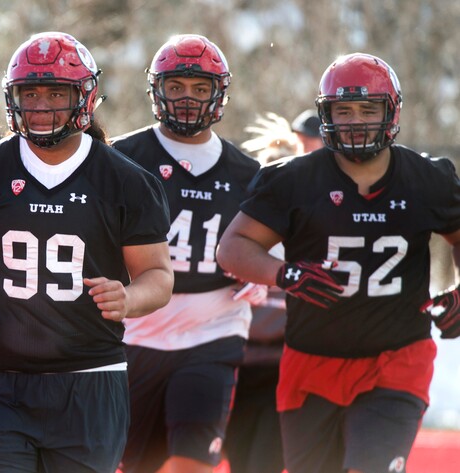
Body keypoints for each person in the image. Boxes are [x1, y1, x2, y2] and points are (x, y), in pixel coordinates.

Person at [0, 31, 174, 473]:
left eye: (56, 92)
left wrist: (130, 298)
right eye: (30, 92)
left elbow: (158, 276)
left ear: (85, 97)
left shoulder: (126, 181)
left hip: (90, 381)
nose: (41, 105)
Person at [217, 52, 460, 473]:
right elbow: (233, 247)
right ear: (325, 115)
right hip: (310, 365)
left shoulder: (428, 178)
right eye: (343, 110)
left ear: (391, 112)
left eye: (368, 109)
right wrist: (284, 273)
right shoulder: (293, 179)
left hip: (396, 361)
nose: (356, 120)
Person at [111, 34, 260, 473]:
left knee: (191, 460)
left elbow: (267, 239)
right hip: (132, 330)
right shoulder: (121, 156)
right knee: (131, 463)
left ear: (219, 94)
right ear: (157, 90)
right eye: (176, 86)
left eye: (200, 88)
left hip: (212, 328)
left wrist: (258, 266)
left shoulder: (247, 173)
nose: (188, 98)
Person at [225, 112, 304, 473]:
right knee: (241, 461)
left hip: (284, 368)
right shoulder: (238, 232)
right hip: (237, 366)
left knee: (264, 463)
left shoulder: (310, 227)